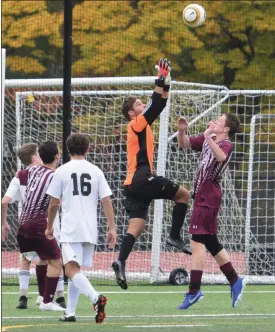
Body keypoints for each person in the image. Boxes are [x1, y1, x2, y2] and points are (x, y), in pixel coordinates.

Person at [112, 58, 191, 290]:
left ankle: (120, 261)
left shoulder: (143, 125)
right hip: (141, 179)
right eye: (138, 103)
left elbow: (161, 104)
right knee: (184, 196)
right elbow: (155, 106)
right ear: (131, 112)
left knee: (134, 229)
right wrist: (160, 79)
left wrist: (165, 82)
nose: (141, 104)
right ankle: (174, 236)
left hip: (132, 185)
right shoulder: (136, 123)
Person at [176, 113, 245, 309]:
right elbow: (185, 143)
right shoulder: (210, 139)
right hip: (202, 197)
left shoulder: (225, 144)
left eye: (220, 120)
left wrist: (207, 137)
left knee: (197, 242)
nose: (215, 120)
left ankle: (194, 290)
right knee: (211, 242)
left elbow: (220, 157)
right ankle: (234, 280)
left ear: (226, 129)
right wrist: (182, 131)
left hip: (209, 197)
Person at [46, 133, 117, 324]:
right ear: (88, 149)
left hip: (71, 228)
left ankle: (95, 297)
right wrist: (112, 228)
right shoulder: (96, 171)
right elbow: (106, 200)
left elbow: (53, 204)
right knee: (75, 269)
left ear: (67, 150)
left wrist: (49, 226)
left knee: (69, 269)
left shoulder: (61, 171)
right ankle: (70, 312)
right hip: (90, 229)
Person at [1, 143, 65, 309]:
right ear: (57, 156)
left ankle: (30, 296)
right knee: (56, 261)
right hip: (41, 224)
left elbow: (22, 174)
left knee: (33, 259)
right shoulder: (54, 175)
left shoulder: (27, 173)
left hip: (23, 225)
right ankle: (49, 299)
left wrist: (3, 223)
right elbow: (54, 203)